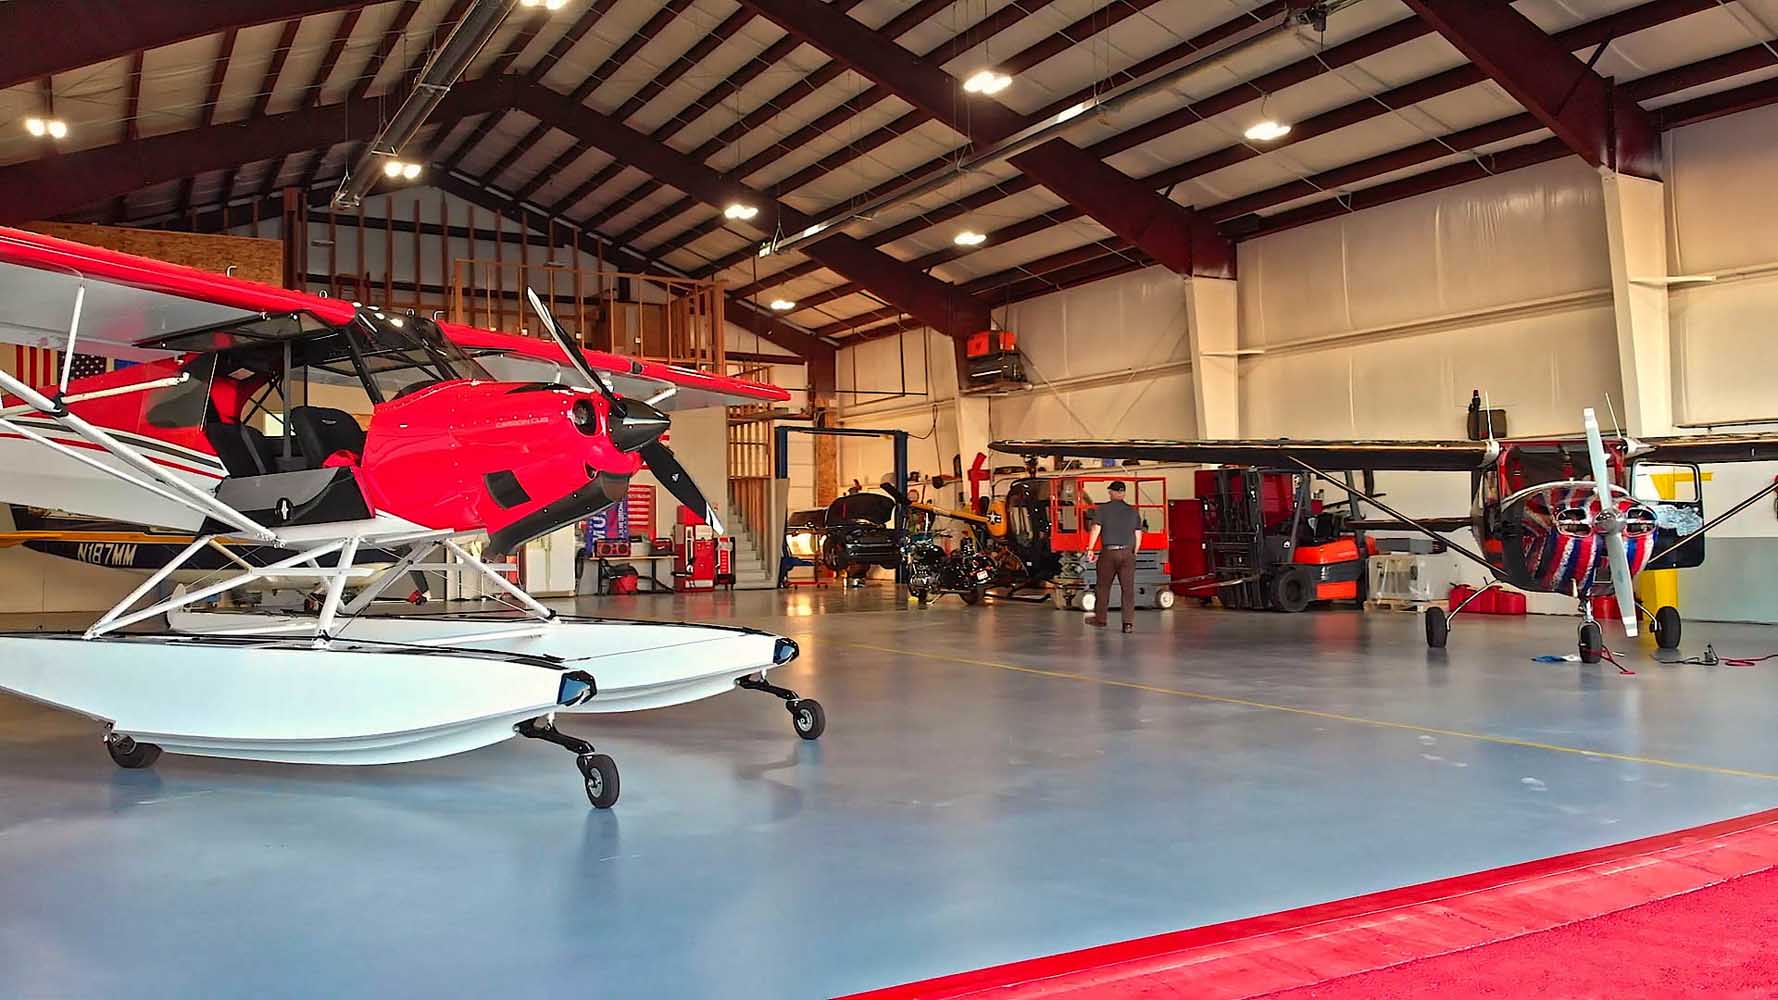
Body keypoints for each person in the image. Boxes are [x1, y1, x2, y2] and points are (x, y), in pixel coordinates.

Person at [1083, 480, 1142, 633]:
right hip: (1128, 553)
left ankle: (1101, 619)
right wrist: (1134, 551)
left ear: (1111, 493)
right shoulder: (1133, 511)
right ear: (1123, 493)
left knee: (1103, 587)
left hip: (1109, 553)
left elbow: (1096, 528)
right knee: (1128, 590)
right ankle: (1127, 624)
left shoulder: (1103, 509)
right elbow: (1138, 533)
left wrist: (1090, 548)